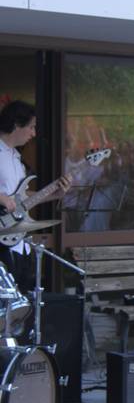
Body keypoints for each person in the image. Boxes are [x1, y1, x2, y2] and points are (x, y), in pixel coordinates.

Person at [0, 100, 71, 294]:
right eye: (31, 127)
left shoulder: (16, 157)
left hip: (17, 241)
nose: (34, 133)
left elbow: (21, 199)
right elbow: (7, 199)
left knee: (20, 303)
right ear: (16, 124)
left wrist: (53, 194)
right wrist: (2, 197)